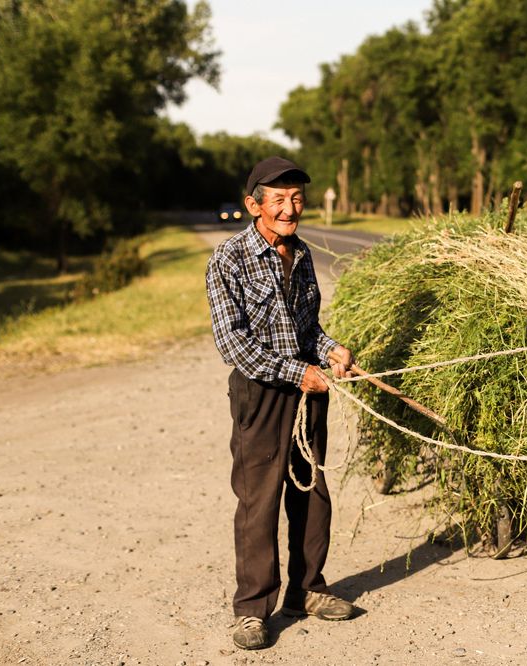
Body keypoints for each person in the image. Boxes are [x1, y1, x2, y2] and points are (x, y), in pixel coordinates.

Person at [205, 156, 356, 650]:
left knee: (311, 492)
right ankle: (252, 610)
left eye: (296, 199)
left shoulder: (303, 254)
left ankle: (307, 589)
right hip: (261, 393)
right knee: (259, 500)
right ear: (255, 206)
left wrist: (331, 350)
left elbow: (307, 329)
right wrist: (299, 372)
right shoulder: (228, 260)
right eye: (279, 200)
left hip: (308, 391)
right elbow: (234, 344)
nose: (290, 209)